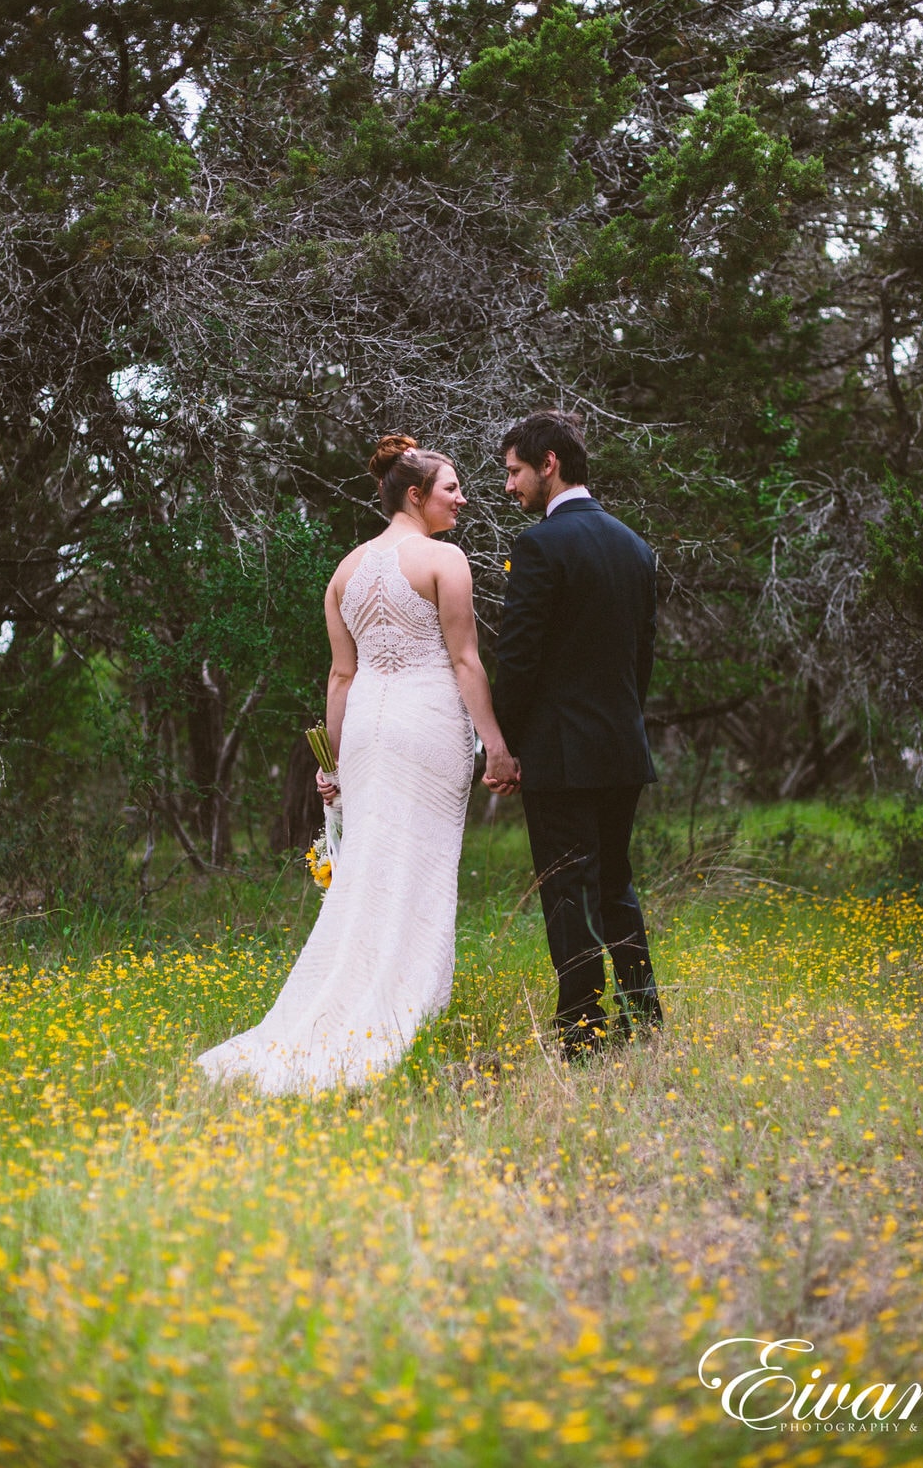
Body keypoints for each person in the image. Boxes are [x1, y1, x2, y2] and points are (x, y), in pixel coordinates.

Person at [197, 434, 519, 1095]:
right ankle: (405, 1007)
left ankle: (358, 995)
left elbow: (341, 678)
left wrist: (334, 760)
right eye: (451, 487)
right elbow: (463, 661)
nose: (462, 498)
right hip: (427, 721)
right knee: (420, 862)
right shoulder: (443, 559)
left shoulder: (344, 571)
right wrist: (496, 744)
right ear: (415, 494)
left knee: (371, 864)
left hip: (368, 726)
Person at [490, 410, 662, 1059]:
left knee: (567, 891)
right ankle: (643, 1020)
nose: (510, 487)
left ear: (549, 463)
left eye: (513, 472)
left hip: (560, 754)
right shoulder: (634, 545)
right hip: (621, 747)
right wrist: (619, 722)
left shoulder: (540, 546)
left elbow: (520, 658)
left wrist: (502, 744)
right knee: (614, 885)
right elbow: (640, 658)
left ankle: (583, 1036)